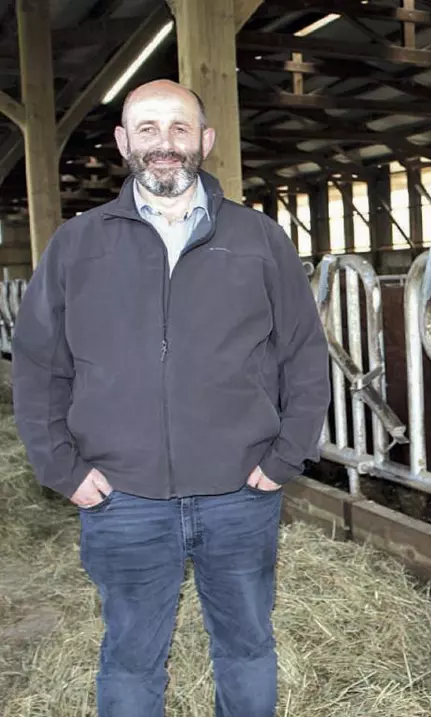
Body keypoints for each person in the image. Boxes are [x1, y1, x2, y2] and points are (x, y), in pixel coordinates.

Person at [11, 79, 331, 717]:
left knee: (245, 647)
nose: (166, 144)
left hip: (240, 493)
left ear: (205, 141)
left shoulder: (259, 239)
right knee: (131, 656)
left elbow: (304, 354)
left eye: (181, 129)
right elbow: (40, 363)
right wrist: (63, 470)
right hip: (121, 495)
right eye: (149, 129)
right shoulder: (78, 244)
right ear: (125, 142)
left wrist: (284, 457)